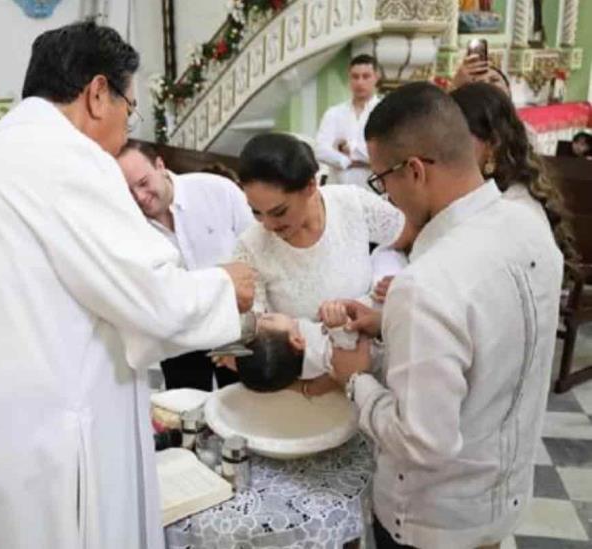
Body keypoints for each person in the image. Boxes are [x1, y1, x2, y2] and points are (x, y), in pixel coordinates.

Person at [0, 22, 255, 549]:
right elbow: (152, 300)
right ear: (99, 93)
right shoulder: (67, 158)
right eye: (130, 106)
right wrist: (225, 287)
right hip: (44, 438)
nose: (126, 126)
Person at [321, 82, 563, 549]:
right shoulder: (529, 225)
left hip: (434, 520)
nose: (385, 196)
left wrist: (355, 379)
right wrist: (387, 321)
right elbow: (490, 335)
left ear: (413, 170)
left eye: (381, 179)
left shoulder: (427, 283)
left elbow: (422, 442)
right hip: (500, 494)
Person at [232, 132, 414, 397]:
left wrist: (404, 282)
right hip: (309, 395)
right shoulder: (251, 249)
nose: (269, 225)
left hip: (380, 378)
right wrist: (318, 386)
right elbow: (256, 351)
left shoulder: (351, 204)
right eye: (256, 212)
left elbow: (411, 235)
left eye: (279, 212)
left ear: (309, 186)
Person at [117, 140, 253, 390]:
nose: (140, 197)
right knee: (183, 411)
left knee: (243, 408)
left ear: (160, 165)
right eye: (128, 191)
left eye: (144, 183)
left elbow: (257, 255)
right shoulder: (128, 225)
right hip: (178, 337)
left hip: (236, 329)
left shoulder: (219, 192)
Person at [450, 83, 579, 268]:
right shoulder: (498, 194)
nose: (446, 151)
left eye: (457, 139)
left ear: (492, 144)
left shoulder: (510, 211)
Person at [315, 54, 380, 188]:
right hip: (337, 189)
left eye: (366, 76)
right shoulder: (334, 113)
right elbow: (320, 150)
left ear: (376, 77)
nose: (360, 82)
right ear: (349, 79)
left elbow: (382, 153)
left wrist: (349, 148)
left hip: (371, 190)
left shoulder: (385, 112)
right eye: (355, 77)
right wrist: (346, 161)